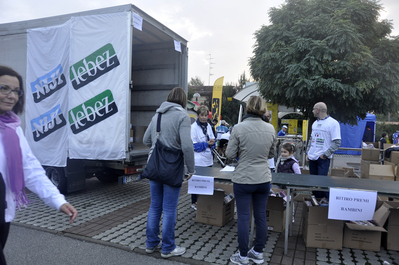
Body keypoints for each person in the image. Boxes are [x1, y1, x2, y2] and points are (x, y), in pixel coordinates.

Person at [0, 65, 78, 265]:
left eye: (16, 91)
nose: (11, 95)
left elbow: (31, 170)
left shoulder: (13, 129)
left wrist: (58, 200)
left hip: (4, 213)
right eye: (3, 88)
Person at [143, 87, 195, 258]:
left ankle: (151, 244)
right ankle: (167, 248)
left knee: (155, 205)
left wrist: (159, 142)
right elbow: (187, 146)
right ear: (183, 101)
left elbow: (145, 140)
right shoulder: (183, 117)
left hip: (155, 166)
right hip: (173, 169)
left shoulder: (157, 115)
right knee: (170, 208)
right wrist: (191, 169)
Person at [226, 96, 276, 265]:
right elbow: (271, 154)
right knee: (261, 216)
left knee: (243, 217)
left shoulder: (238, 128)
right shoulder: (270, 129)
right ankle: (258, 252)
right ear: (263, 109)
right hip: (263, 178)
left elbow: (230, 155)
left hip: (244, 178)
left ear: (248, 107)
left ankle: (242, 255)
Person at [306, 102, 341, 197]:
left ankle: (323, 204)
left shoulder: (333, 123)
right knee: (313, 184)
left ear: (318, 110)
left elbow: (337, 142)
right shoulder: (315, 123)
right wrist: (308, 153)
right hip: (312, 158)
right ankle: (315, 204)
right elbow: (311, 139)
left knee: (321, 184)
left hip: (322, 159)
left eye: (313, 109)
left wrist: (325, 155)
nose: (312, 111)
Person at [190, 106, 215, 210]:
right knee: (196, 184)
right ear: (198, 115)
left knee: (207, 183)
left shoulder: (208, 125)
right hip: (198, 161)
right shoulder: (193, 127)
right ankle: (195, 202)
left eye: (206, 115)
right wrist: (207, 144)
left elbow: (213, 139)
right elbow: (194, 146)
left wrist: (212, 143)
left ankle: (204, 201)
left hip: (208, 159)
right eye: (202, 115)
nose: (204, 118)